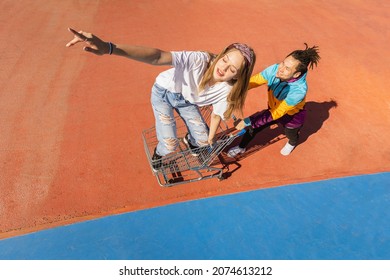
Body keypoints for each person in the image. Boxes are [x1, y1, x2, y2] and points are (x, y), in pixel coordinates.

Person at [66, 28, 256, 170]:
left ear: (237, 77)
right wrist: (109, 48)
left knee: (202, 138)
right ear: (221, 55)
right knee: (170, 143)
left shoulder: (228, 90)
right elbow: (158, 57)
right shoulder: (199, 60)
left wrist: (210, 138)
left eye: (233, 69)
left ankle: (191, 141)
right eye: (225, 60)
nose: (224, 68)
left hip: (186, 100)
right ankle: (158, 157)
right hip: (164, 93)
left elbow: (216, 115)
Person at [227, 43, 320, 157]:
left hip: (292, 117)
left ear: (296, 74)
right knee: (253, 127)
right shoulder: (275, 69)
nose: (280, 69)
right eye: (283, 63)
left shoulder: (298, 91)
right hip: (273, 109)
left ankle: (292, 143)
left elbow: (278, 112)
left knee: (290, 133)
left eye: (287, 68)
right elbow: (255, 80)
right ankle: (241, 147)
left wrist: (249, 120)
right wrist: (235, 89)